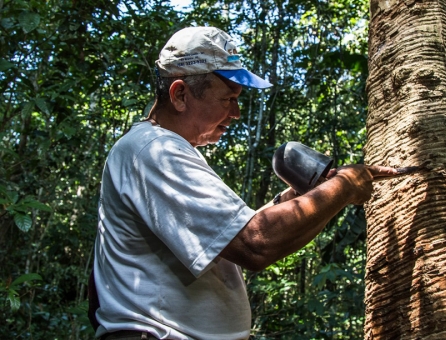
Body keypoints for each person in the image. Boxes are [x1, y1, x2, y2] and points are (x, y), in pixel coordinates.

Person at [90, 26, 398, 340]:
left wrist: (291, 200)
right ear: (180, 94)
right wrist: (345, 185)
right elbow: (256, 244)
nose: (236, 113)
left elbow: (231, 236)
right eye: (228, 99)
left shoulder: (163, 150)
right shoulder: (154, 151)